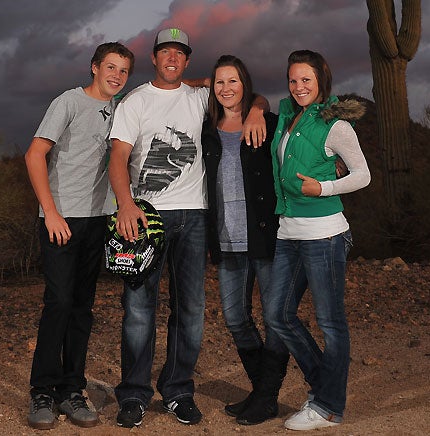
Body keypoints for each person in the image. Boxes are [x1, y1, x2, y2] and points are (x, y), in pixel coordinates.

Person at [108, 28, 269, 428]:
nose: (172, 59)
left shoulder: (200, 97)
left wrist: (256, 109)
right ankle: (134, 394)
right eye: (166, 52)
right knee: (139, 309)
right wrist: (125, 204)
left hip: (195, 216)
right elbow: (118, 158)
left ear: (186, 60)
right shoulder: (135, 101)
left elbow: (248, 93)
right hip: (146, 216)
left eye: (180, 53)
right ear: (155, 57)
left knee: (191, 310)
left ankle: (178, 391)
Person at [24, 42, 134, 430]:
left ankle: (72, 389)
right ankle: (42, 390)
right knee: (58, 303)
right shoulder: (68, 102)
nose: (116, 76)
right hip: (62, 219)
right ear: (94, 67)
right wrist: (50, 212)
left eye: (123, 70)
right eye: (110, 67)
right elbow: (34, 154)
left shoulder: (122, 107)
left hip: (97, 220)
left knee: (82, 308)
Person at [262, 49, 371, 431]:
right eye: (293, 80)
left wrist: (323, 187)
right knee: (277, 315)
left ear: (321, 81)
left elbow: (362, 175)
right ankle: (324, 387)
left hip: (324, 235)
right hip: (288, 232)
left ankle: (327, 407)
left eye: (306, 79)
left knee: (330, 322)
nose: (298, 86)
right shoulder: (289, 118)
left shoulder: (336, 125)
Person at [201, 54, 290, 426]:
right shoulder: (206, 128)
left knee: (275, 318)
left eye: (233, 81)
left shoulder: (267, 122)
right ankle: (262, 392)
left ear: (245, 83)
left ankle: (265, 396)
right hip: (225, 237)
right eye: (219, 82)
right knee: (236, 318)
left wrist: (258, 109)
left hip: (265, 236)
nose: (226, 88)